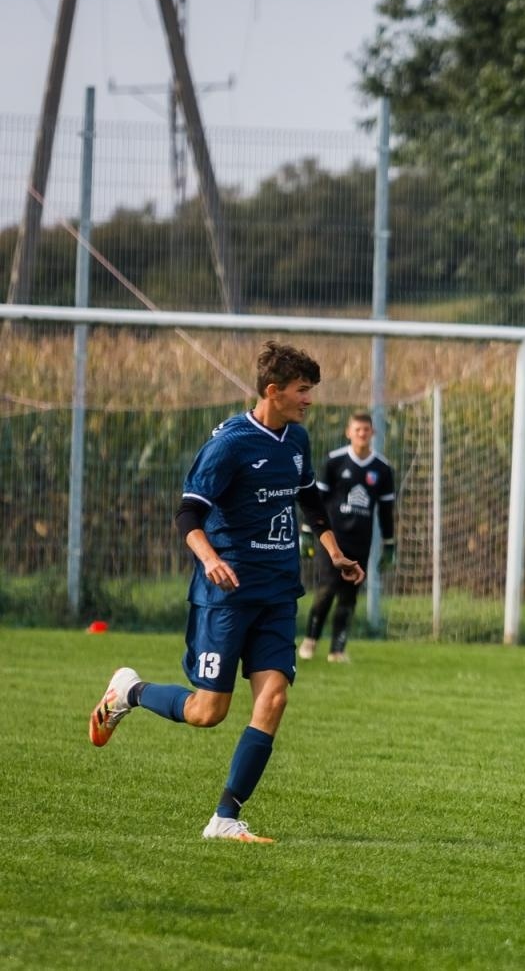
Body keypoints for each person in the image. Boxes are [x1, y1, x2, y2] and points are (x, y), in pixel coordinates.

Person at [88, 341, 364, 843]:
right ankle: (129, 690)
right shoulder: (230, 444)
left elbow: (309, 499)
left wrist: (334, 550)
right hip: (227, 595)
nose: (310, 401)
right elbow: (188, 513)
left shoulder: (296, 441)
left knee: (274, 698)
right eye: (303, 392)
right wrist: (210, 558)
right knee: (207, 712)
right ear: (273, 391)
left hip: (279, 591)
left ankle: (224, 817)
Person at [298, 411, 397, 663]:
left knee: (349, 595)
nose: (362, 434)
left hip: (360, 541)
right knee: (327, 589)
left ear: (373, 433)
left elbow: (386, 510)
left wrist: (388, 544)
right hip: (332, 539)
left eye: (366, 430)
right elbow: (315, 502)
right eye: (357, 430)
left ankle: (337, 650)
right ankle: (310, 641)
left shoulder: (382, 469)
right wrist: (308, 533)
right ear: (348, 432)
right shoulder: (334, 461)